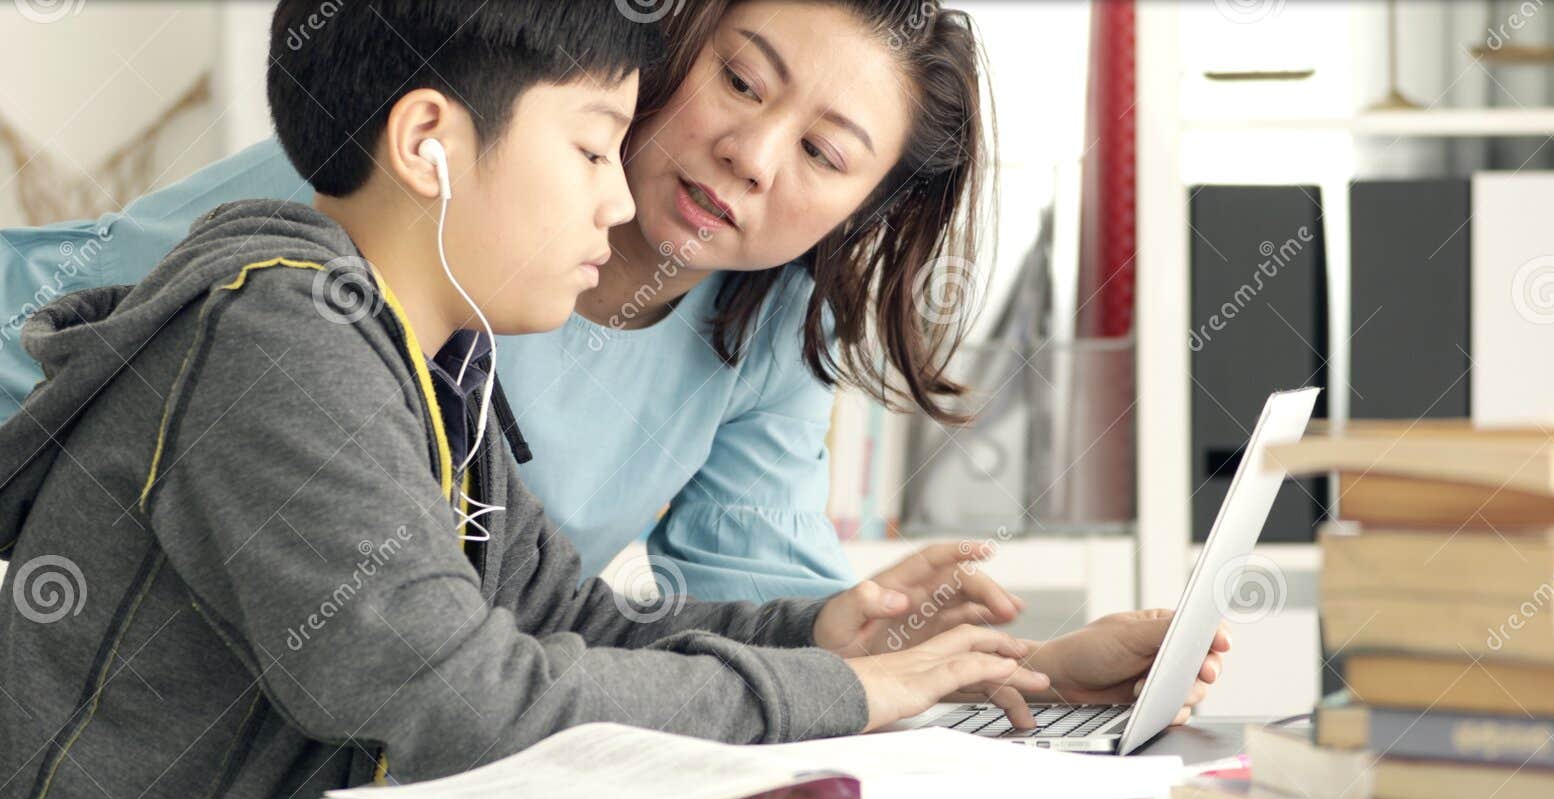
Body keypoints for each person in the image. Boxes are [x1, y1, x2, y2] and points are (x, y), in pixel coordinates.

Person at [0, 0, 1227, 799]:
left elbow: (565, 621)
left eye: (822, 152)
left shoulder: (446, 348)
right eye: (597, 145)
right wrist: (846, 692)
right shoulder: (295, 312)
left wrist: (908, 652)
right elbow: (472, 698)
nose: (743, 156)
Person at [0, 0, 995, 602]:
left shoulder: (765, 322)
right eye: (739, 80)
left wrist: (998, 666)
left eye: (824, 154)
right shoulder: (412, 184)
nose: (753, 152)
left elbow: (762, 593)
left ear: (867, 208)